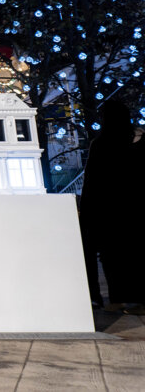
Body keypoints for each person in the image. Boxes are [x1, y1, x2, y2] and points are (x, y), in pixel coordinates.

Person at [79, 99, 133, 311]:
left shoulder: (100, 144)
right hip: (126, 206)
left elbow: (91, 179)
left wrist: (85, 208)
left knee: (96, 253)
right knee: (120, 253)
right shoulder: (133, 142)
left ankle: (97, 297)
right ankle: (125, 297)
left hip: (101, 207)